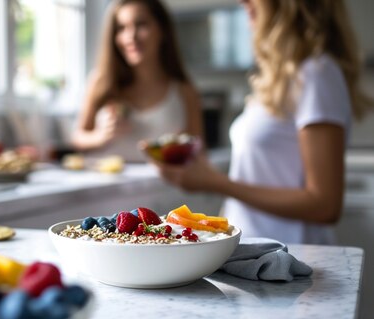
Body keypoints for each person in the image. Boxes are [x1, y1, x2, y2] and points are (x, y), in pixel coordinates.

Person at [147, 0, 372, 244]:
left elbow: (325, 205)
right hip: (252, 255)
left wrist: (216, 183)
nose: (242, 1)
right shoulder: (282, 76)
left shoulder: (317, 73)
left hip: (291, 260)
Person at [71, 0, 203, 163]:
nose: (130, 37)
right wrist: (100, 136)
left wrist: (179, 151)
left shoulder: (183, 90)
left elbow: (200, 154)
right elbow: (77, 138)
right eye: (121, 28)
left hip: (161, 187)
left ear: (162, 30)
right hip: (99, 184)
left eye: (141, 25)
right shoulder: (100, 81)